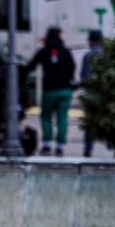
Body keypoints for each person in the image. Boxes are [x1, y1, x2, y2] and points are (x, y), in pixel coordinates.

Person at [26, 27, 77, 156]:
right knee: (62, 118)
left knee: (46, 117)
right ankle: (60, 146)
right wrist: (69, 78)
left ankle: (47, 144)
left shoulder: (43, 51)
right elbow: (72, 67)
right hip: (65, 90)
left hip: (49, 90)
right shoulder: (66, 52)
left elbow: (30, 66)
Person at [77, 30, 104, 157]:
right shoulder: (106, 54)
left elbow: (83, 77)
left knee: (90, 125)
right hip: (105, 94)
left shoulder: (88, 56)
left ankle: (88, 150)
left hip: (91, 94)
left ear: (91, 40)